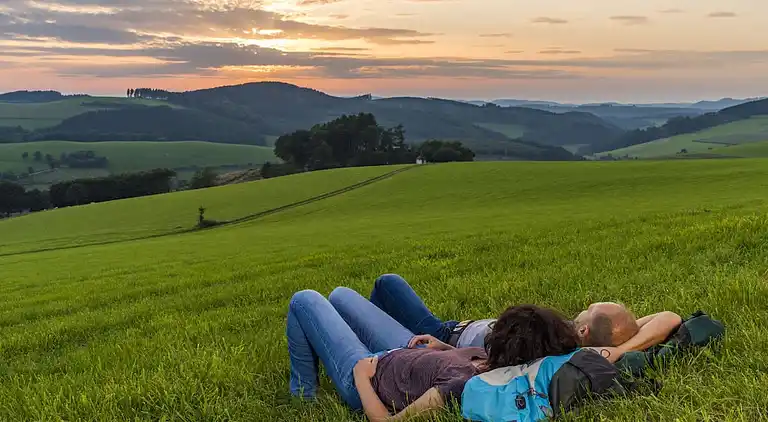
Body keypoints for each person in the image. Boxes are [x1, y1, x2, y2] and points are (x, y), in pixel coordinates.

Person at [287, 287, 615, 421]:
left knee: (305, 299)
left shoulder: (464, 384)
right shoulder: (496, 364)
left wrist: (361, 377)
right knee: (340, 295)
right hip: (409, 348)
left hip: (370, 376)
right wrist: (444, 347)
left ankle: (303, 393)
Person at [369, 274, 682, 353]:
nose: (584, 307)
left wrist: (446, 346)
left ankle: (375, 353)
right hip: (451, 330)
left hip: (442, 337)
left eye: (589, 310)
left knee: (387, 284)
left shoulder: (549, 346)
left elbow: (488, 364)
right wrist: (619, 349)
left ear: (585, 330)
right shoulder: (589, 338)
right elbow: (669, 317)